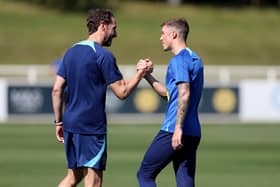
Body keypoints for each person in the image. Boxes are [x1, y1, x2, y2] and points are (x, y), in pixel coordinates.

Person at [52, 9, 151, 187]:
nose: (116, 34)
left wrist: (58, 122)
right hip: (91, 127)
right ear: (102, 26)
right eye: (114, 28)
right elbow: (122, 92)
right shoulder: (102, 56)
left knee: (73, 177)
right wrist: (141, 73)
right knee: (94, 181)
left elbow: (56, 90)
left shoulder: (70, 52)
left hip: (70, 124)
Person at [136, 18, 204, 187]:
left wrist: (177, 129)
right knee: (185, 181)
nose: (161, 38)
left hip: (173, 129)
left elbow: (184, 93)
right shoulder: (195, 59)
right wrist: (147, 75)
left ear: (173, 34)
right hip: (193, 132)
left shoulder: (178, 60)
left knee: (145, 175)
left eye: (163, 34)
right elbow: (170, 94)